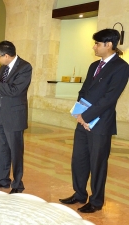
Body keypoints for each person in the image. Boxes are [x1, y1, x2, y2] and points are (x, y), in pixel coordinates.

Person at [59, 29, 129, 213]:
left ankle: (96, 201)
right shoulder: (93, 66)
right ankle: (79, 194)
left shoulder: (122, 67)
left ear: (109, 44)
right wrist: (79, 113)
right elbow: (83, 91)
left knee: (98, 163)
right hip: (83, 120)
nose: (94, 47)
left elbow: (110, 98)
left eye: (97, 44)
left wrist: (87, 116)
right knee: (79, 160)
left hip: (101, 124)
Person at [0, 41, 32, 194]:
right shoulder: (4, 68)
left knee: (15, 151)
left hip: (14, 116)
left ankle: (17, 184)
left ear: (7, 56)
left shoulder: (25, 67)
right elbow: (0, 89)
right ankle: (3, 180)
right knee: (1, 149)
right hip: (0, 113)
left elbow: (15, 90)